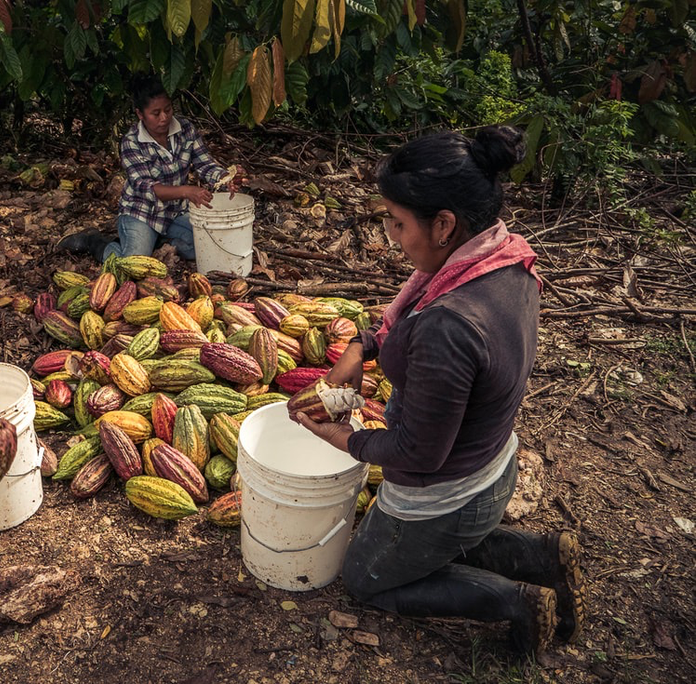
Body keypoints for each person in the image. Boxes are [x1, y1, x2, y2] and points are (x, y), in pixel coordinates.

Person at [294, 126, 585, 655]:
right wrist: (361, 347)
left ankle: (514, 600)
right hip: (493, 463)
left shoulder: (449, 324)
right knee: (435, 544)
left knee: (364, 576)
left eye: (398, 223)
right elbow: (413, 333)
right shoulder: (502, 257)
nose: (391, 235)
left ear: (444, 224)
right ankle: (543, 556)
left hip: (447, 493)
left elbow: (419, 453)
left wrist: (342, 437)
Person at [58, 75, 246, 262]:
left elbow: (205, 164)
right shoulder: (132, 142)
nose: (164, 118)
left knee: (209, 244)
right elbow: (148, 188)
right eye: (156, 113)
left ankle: (159, 242)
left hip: (175, 212)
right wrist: (187, 191)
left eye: (168, 109)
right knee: (133, 260)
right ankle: (95, 242)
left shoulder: (186, 130)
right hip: (141, 213)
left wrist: (226, 177)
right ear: (140, 114)